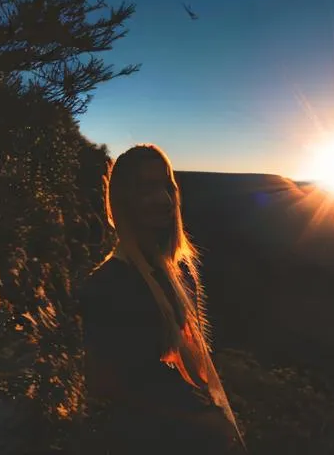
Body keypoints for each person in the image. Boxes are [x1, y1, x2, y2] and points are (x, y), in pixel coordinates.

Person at [80, 144, 246, 454]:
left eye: (167, 187)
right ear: (122, 201)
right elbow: (105, 383)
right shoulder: (107, 284)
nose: (164, 200)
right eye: (146, 189)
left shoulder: (175, 272)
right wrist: (197, 420)